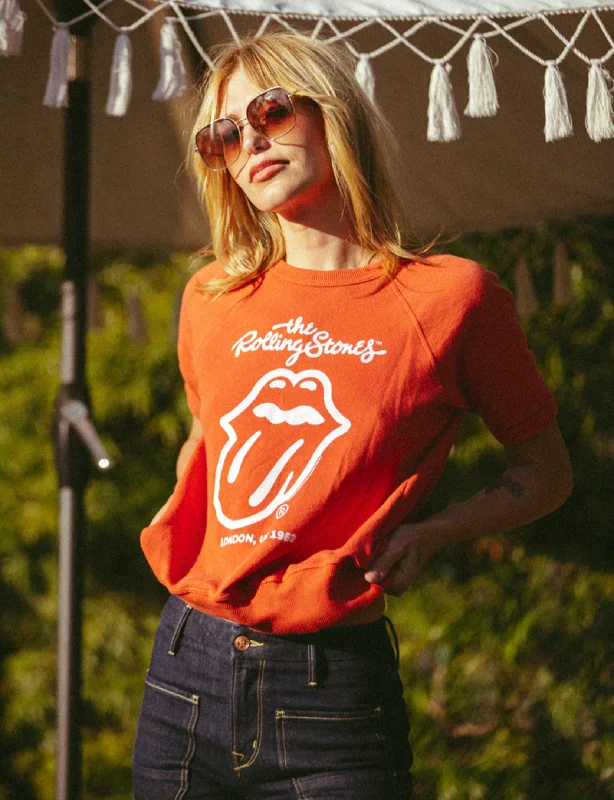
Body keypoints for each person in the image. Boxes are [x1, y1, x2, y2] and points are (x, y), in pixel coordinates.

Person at [132, 31, 573, 800]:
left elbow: (546, 472)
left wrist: (433, 533)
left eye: (270, 109)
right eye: (224, 135)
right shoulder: (210, 297)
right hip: (184, 670)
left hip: (332, 690)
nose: (251, 142)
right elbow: (207, 442)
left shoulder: (451, 299)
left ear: (330, 111)